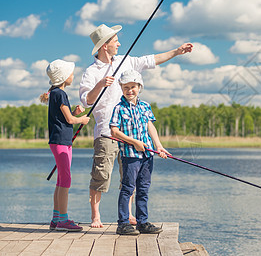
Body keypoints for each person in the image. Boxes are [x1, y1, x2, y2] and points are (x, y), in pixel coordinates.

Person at [79, 24, 192, 228]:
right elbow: (87, 100)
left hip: (133, 134)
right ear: (105, 46)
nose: (119, 43)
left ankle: (130, 215)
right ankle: (95, 216)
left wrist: (177, 51)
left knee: (129, 177)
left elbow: (152, 60)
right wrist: (100, 84)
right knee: (101, 175)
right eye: (115, 40)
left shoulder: (126, 61)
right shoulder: (91, 71)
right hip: (107, 132)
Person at [110, 70, 168, 235]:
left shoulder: (145, 106)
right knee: (128, 189)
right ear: (121, 88)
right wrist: (134, 142)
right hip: (130, 156)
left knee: (143, 189)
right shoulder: (118, 108)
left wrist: (158, 146)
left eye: (133, 87)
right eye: (126, 87)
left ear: (139, 87)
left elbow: (150, 126)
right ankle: (123, 223)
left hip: (147, 156)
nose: (130, 90)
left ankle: (142, 222)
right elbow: (114, 131)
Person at [40, 59, 90, 232]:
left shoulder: (55, 93)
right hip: (61, 142)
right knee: (66, 180)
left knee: (61, 180)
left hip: (62, 141)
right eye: (71, 73)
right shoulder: (60, 94)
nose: (72, 76)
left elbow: (65, 118)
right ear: (63, 77)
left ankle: (56, 218)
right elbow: (69, 120)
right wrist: (81, 119)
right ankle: (63, 220)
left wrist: (75, 113)